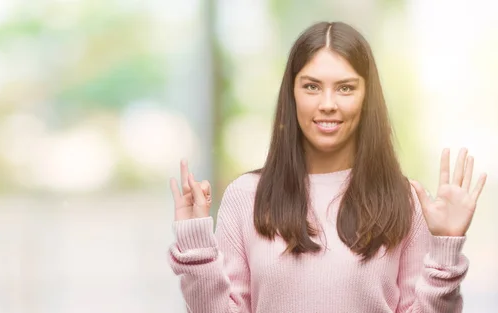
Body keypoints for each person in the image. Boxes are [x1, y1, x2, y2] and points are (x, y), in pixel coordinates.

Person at [167, 21, 487, 313]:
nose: (328, 103)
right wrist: (197, 246)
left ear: (367, 97)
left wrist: (445, 247)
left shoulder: (404, 200)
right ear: (292, 94)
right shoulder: (245, 197)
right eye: (311, 86)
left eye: (346, 87)